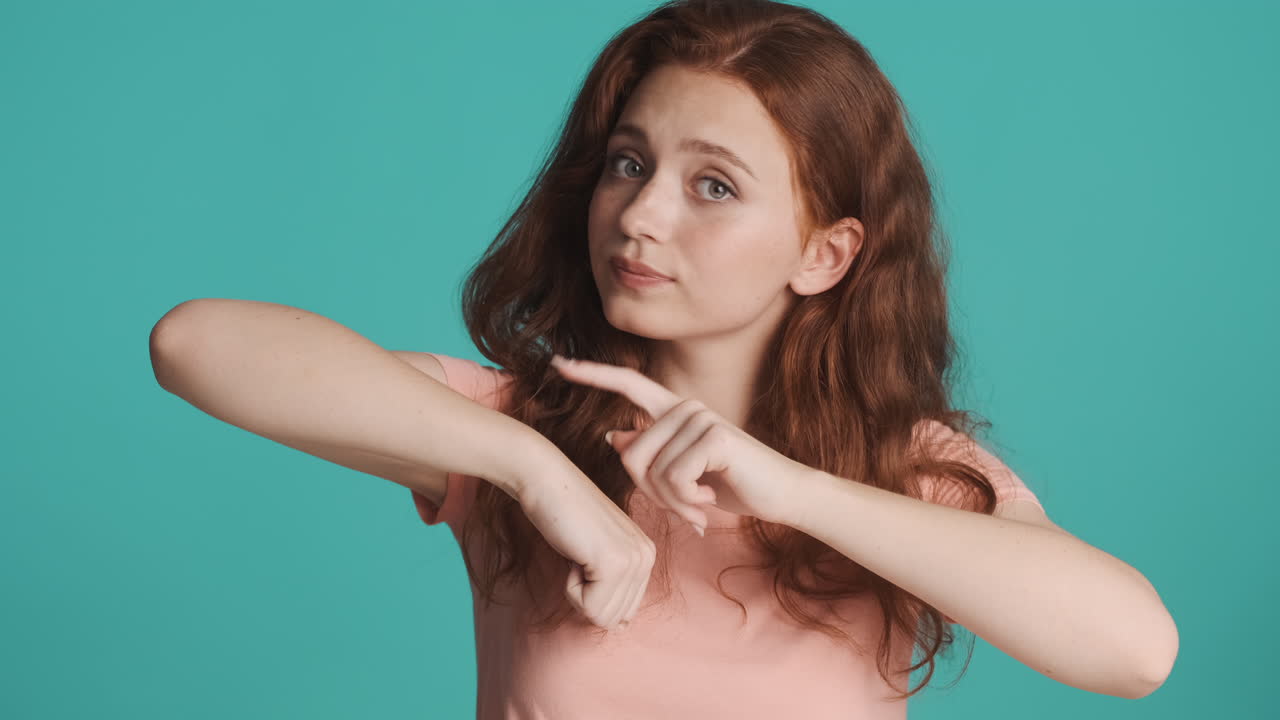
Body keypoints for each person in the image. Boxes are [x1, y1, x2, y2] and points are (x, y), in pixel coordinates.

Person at [150, 0, 1177, 716]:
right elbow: (193, 343)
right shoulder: (508, 431)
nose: (639, 214)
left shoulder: (897, 473)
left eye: (712, 186)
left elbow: (1135, 651)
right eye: (628, 164)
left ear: (823, 255)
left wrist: (796, 490)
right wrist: (534, 470)